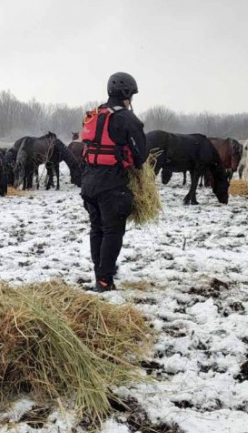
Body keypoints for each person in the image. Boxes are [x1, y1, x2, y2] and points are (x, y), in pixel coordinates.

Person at [79, 72, 147, 292]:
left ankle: (100, 271)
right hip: (112, 185)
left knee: (97, 228)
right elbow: (141, 156)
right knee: (113, 231)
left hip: (89, 183)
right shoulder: (126, 118)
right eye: (131, 95)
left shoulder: (95, 114)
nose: (131, 100)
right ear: (125, 93)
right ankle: (105, 280)